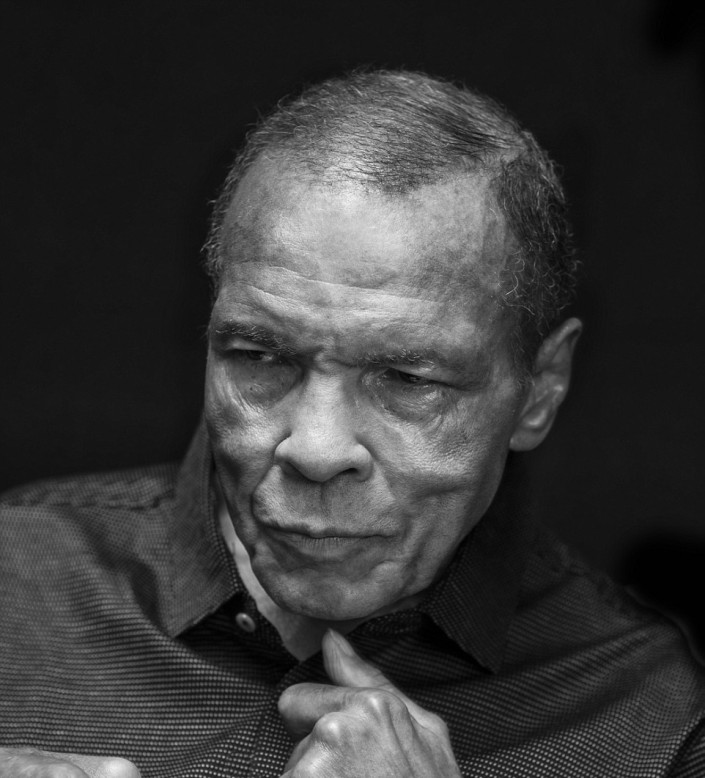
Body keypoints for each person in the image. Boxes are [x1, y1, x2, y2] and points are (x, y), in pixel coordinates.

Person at [0, 69, 703, 778]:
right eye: (260, 357)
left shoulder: (653, 723)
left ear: (539, 390)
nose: (316, 448)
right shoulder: (15, 580)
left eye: (408, 379)